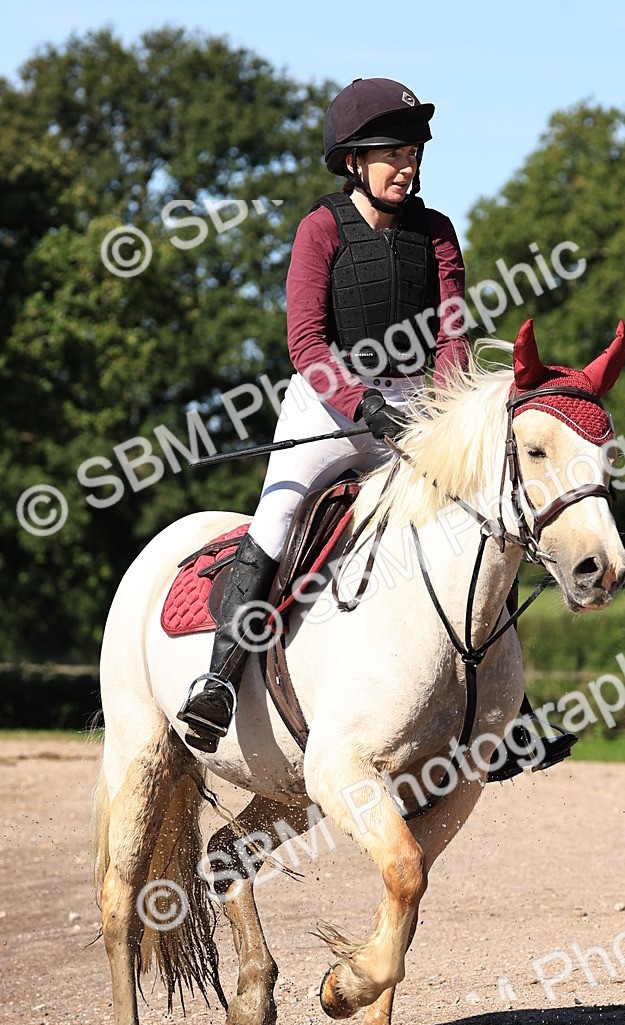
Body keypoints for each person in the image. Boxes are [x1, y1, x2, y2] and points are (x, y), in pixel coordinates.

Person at [178, 77, 573, 778]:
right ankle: (218, 683)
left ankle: (513, 713)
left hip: (415, 414)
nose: (407, 165)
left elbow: (451, 333)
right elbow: (306, 343)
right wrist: (363, 404)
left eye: (413, 152)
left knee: (482, 518)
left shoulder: (437, 232)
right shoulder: (321, 228)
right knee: (277, 522)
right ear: (354, 160)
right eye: (393, 153)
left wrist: (442, 408)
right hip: (328, 410)